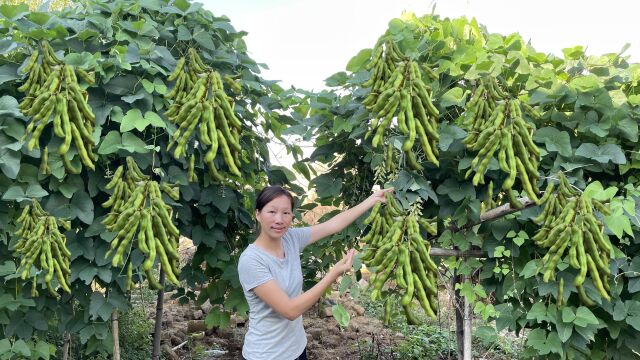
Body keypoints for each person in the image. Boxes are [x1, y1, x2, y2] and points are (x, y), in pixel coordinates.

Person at [237, 185, 393, 360]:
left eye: (286, 213)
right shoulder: (251, 260)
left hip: (297, 349)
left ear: (292, 216)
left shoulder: (290, 239)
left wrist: (372, 200)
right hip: (266, 355)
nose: (279, 219)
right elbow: (289, 310)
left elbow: (333, 225)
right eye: (272, 212)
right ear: (258, 214)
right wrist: (332, 275)